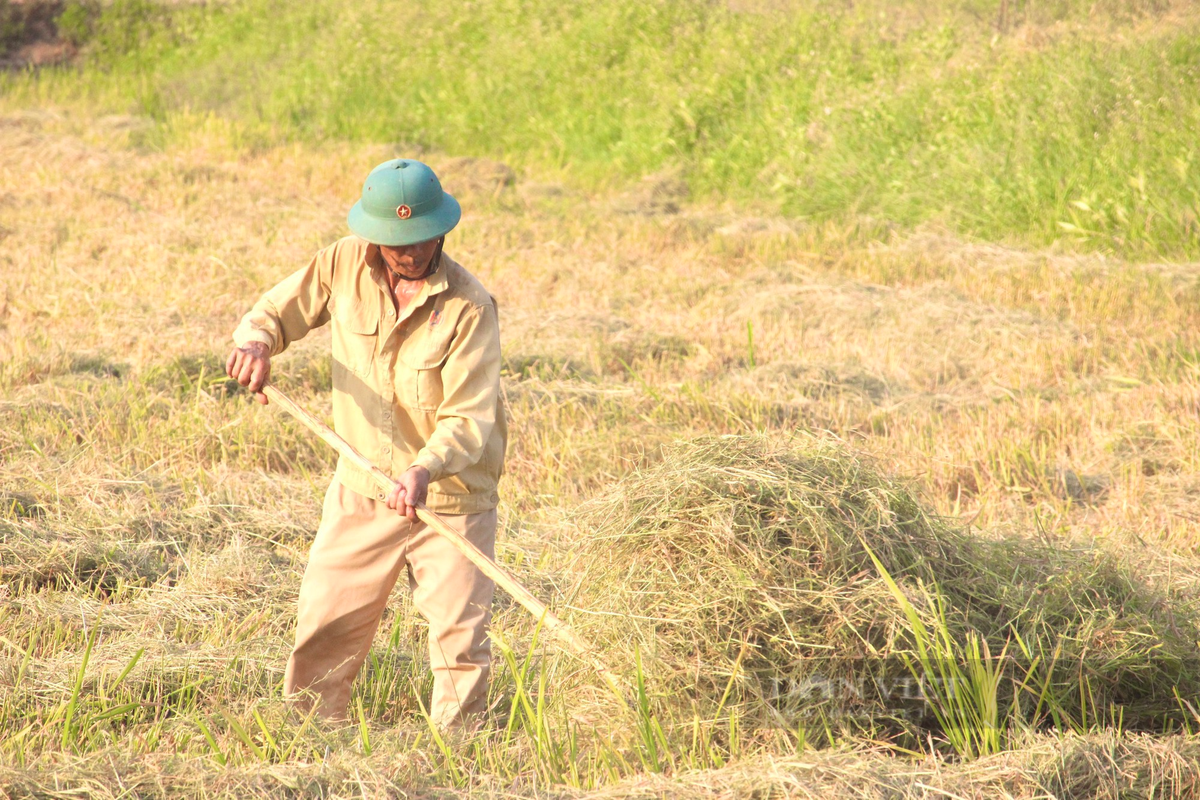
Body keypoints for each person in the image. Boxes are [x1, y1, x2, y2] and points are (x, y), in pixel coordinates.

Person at [224, 158, 506, 732]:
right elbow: (276, 311)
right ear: (374, 236)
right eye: (398, 243)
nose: (411, 253)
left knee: (460, 644)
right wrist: (256, 343)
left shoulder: (470, 307)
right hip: (363, 484)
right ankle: (308, 743)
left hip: (449, 496)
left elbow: (469, 418)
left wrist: (426, 468)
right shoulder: (341, 263)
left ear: (442, 229)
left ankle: (462, 761)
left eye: (422, 239)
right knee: (325, 626)